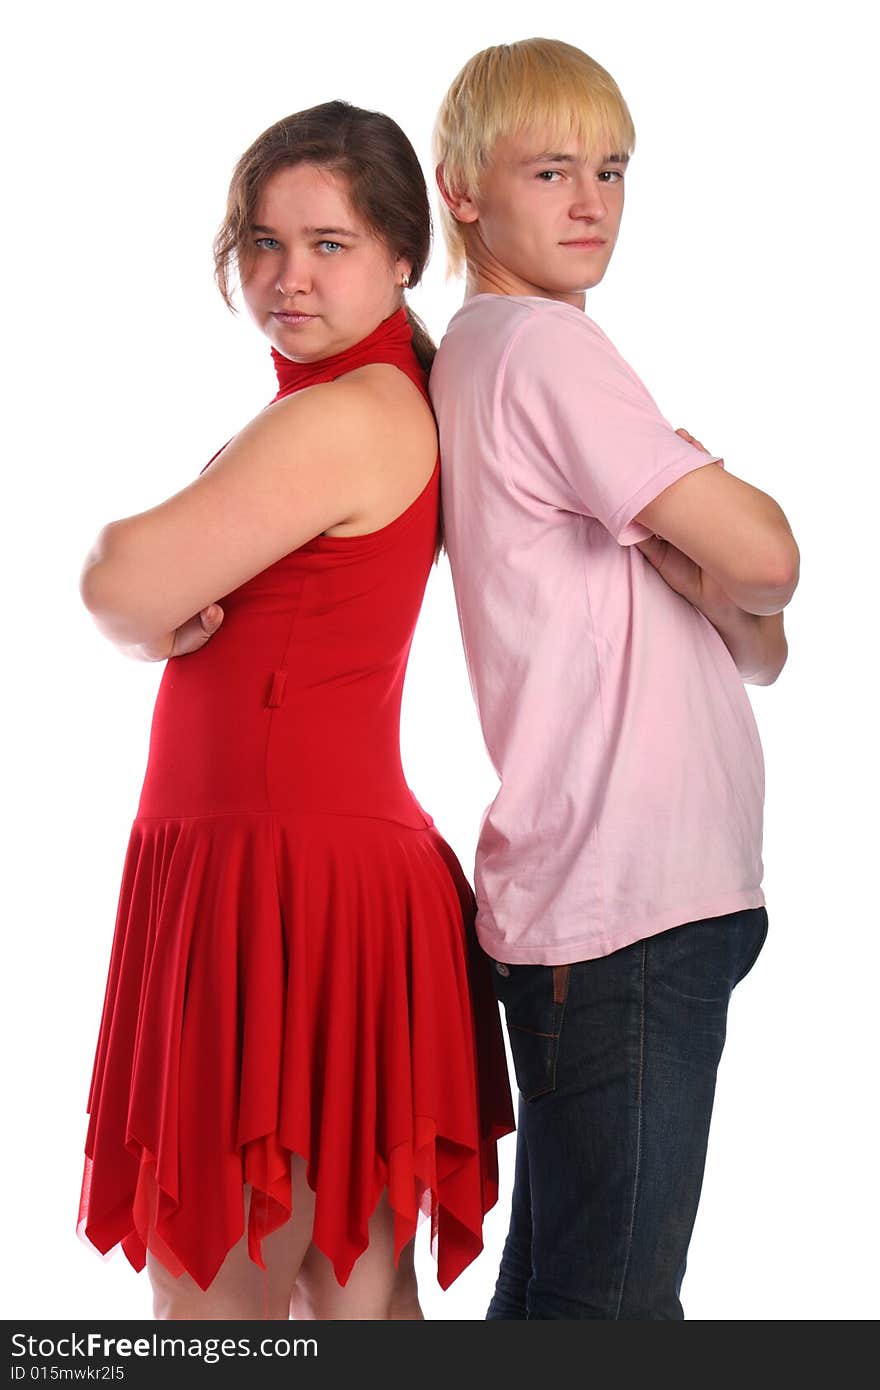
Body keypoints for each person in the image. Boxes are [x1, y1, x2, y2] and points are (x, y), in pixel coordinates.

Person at [77, 99, 514, 1322]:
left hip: (281, 881)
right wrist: (151, 605)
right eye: (263, 244)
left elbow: (116, 579)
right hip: (312, 871)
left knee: (213, 1308)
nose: (286, 276)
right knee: (354, 1302)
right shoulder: (354, 405)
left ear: (400, 257)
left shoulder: (343, 416)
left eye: (327, 244)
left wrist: (144, 602)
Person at [429, 38, 799, 1319]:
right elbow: (767, 559)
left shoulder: (492, 355)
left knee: (563, 1303)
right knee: (613, 1315)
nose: (590, 203)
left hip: (622, 907)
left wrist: (727, 578)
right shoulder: (544, 351)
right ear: (461, 188)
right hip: (627, 903)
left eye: (612, 170)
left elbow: (759, 639)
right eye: (549, 170)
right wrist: (724, 551)